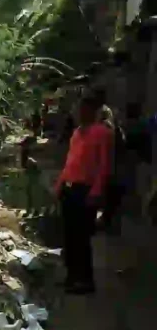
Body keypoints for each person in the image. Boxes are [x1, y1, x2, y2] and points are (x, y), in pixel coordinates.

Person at [54, 94, 113, 295]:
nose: (77, 112)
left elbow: (104, 166)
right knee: (68, 235)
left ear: (91, 111)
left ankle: (86, 280)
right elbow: (70, 161)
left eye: (81, 109)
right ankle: (71, 276)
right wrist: (60, 184)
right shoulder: (77, 133)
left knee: (82, 237)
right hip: (69, 188)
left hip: (85, 190)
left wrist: (96, 192)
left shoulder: (102, 133)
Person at [97, 105, 128, 234]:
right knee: (112, 199)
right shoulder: (116, 128)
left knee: (109, 198)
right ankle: (110, 225)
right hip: (116, 168)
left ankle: (108, 225)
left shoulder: (104, 127)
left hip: (109, 169)